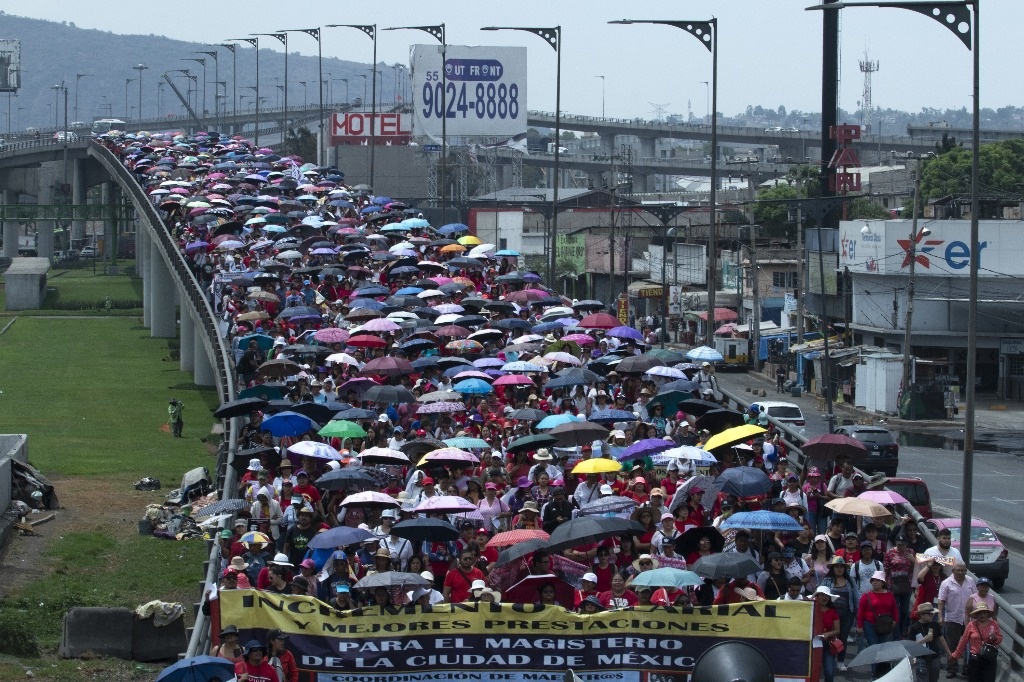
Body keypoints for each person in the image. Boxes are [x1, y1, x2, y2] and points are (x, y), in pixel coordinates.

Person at [855, 570, 899, 678]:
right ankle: (874, 674)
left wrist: (895, 621)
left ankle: (881, 673)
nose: (874, 582)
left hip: (885, 625)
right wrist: (859, 626)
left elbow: (895, 610)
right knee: (874, 648)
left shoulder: (889, 595)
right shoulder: (866, 595)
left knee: (882, 649)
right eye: (873, 580)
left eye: (877, 580)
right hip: (869, 624)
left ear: (883, 582)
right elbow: (860, 611)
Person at [938, 562, 977, 679]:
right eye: (958, 570)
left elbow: (975, 597)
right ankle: (952, 668)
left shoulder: (970, 581)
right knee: (952, 646)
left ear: (966, 571)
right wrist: (940, 616)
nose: (960, 572)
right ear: (953, 571)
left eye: (963, 570)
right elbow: (941, 601)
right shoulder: (946, 583)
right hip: (952, 618)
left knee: (969, 645)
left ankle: (967, 668)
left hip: (969, 619)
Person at [951, 603, 1002, 682]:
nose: (982, 615)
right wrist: (956, 655)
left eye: (984, 613)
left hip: (989, 658)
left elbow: (1000, 639)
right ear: (976, 614)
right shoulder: (971, 625)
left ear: (987, 614)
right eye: (980, 613)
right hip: (975, 658)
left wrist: (995, 638)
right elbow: (963, 641)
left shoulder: (993, 624)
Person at [909, 603, 951, 682]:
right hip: (921, 658)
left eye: (932, 614)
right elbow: (911, 646)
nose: (932, 615)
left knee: (934, 679)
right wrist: (924, 640)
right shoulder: (914, 628)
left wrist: (948, 653)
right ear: (921, 614)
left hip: (934, 657)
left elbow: (942, 639)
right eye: (929, 614)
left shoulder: (935, 625)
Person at [813, 586, 842, 682]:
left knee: (829, 672)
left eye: (826, 596)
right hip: (813, 644)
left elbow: (837, 630)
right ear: (817, 596)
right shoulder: (811, 610)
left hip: (827, 644)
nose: (824, 598)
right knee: (812, 671)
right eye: (821, 595)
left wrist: (828, 634)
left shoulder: (833, 612)